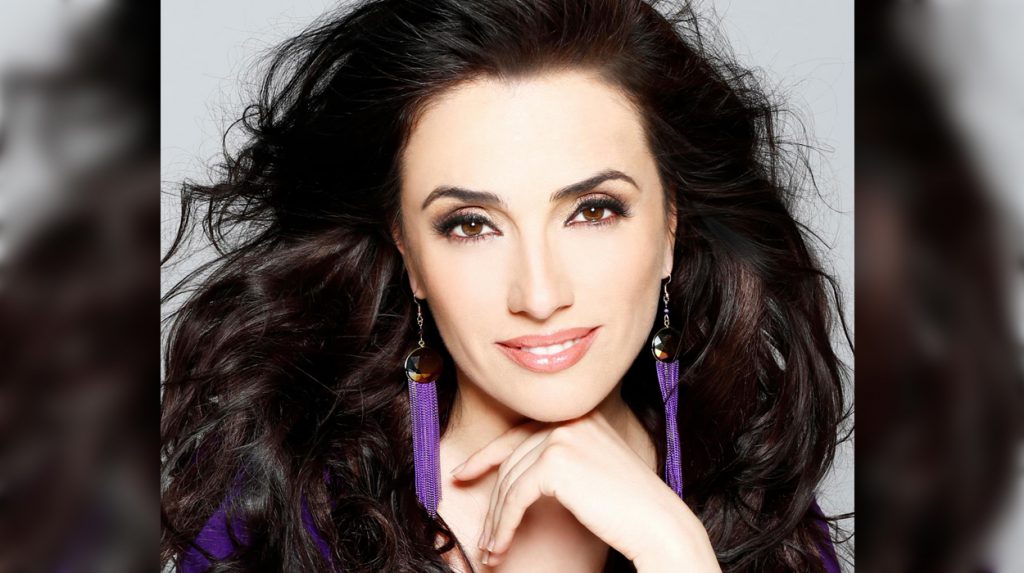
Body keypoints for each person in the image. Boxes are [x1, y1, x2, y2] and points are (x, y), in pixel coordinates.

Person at [160, 0, 850, 571]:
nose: (540, 296)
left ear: (670, 225)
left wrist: (675, 553)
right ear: (408, 250)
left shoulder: (760, 515)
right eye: (470, 225)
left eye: (593, 211)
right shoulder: (285, 517)